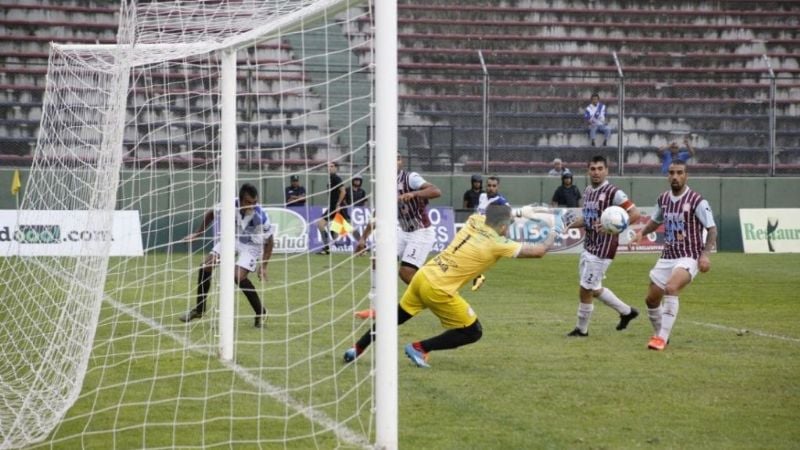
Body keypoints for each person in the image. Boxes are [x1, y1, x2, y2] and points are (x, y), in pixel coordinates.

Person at [344, 204, 563, 367]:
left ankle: (357, 348)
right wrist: (555, 231)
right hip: (439, 288)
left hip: (425, 275)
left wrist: (519, 212)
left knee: (396, 317)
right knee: (473, 332)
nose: (508, 230)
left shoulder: (475, 220)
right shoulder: (499, 243)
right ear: (503, 226)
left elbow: (493, 212)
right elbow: (540, 251)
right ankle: (420, 348)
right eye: (509, 226)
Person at [629, 160, 717, 351]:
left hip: (689, 255)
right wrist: (641, 233)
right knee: (651, 299)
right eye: (672, 173)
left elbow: (712, 229)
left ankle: (660, 338)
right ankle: (661, 333)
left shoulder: (697, 201)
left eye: (679, 173)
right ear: (667, 175)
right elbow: (655, 220)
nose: (675, 176)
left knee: (671, 288)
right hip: (668, 255)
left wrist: (705, 255)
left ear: (686, 176)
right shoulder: (664, 199)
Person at [180, 183, 274, 328]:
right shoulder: (229, 205)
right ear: (240, 200)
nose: (252, 206)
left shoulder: (261, 216)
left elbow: (270, 241)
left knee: (238, 277)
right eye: (248, 202)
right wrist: (199, 233)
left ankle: (260, 313)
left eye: (255, 202)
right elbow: (211, 213)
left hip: (252, 244)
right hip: (232, 239)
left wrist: (264, 266)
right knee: (206, 266)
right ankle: (199, 309)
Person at [566, 155, 641, 337]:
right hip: (589, 245)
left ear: (607, 171)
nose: (596, 172)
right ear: (588, 171)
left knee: (585, 288)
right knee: (595, 288)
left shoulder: (614, 192)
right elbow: (587, 218)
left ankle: (581, 330)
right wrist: (569, 225)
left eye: (600, 168)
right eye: (593, 169)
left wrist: (613, 229)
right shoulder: (588, 191)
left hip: (603, 248)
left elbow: (635, 213)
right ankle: (626, 312)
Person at [354, 156, 441, 285]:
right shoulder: (385, 184)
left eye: (398, 158)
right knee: (378, 260)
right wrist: (363, 238)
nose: (395, 161)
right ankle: (376, 302)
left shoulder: (410, 178)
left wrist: (414, 194)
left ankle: (434, 296)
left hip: (421, 233)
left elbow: (436, 191)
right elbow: (378, 213)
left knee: (406, 273)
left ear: (401, 162)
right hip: (403, 232)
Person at [317, 161, 348, 254]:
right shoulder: (330, 178)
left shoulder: (336, 178)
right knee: (325, 227)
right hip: (332, 206)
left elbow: (343, 191)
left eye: (332, 166)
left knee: (321, 224)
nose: (329, 168)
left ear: (336, 168)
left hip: (336, 206)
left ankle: (327, 247)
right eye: (328, 166)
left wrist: (338, 204)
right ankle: (327, 247)